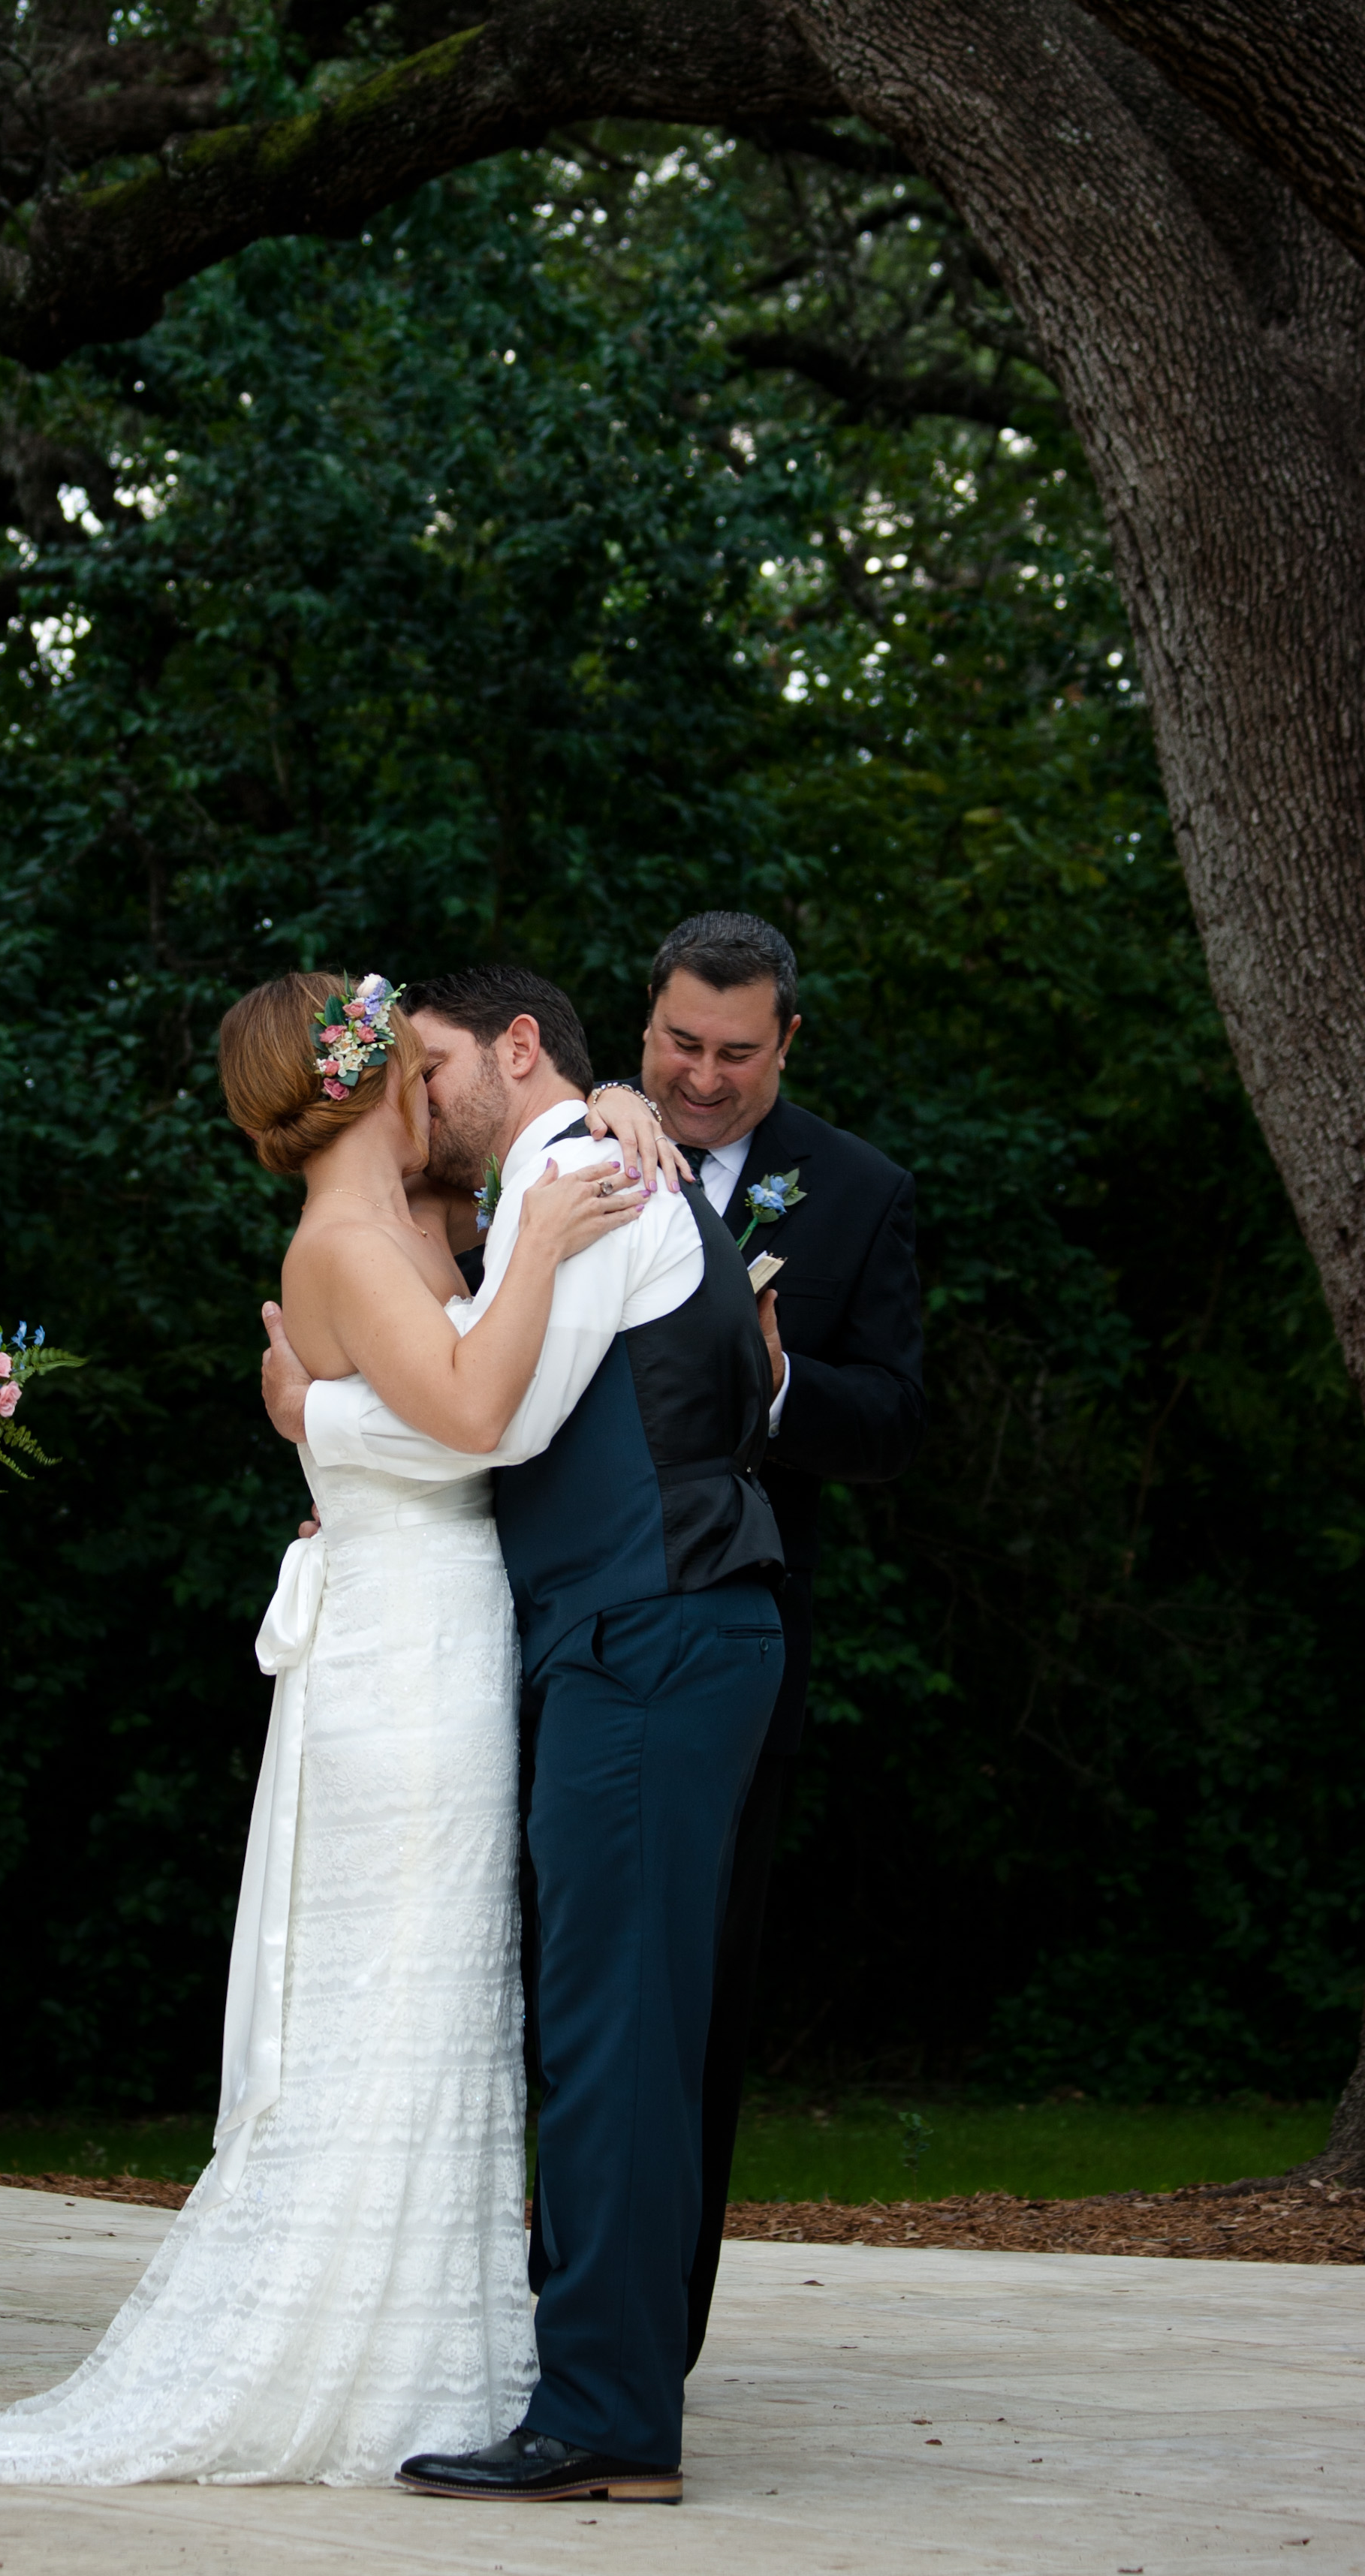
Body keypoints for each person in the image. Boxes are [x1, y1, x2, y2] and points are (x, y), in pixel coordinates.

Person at [0, 969, 648, 2487]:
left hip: (444, 1632)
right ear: (368, 1075)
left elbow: (475, 1276)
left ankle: (433, 2355)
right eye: (413, 1060)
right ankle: (357, 2361)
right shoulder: (341, 1245)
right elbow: (476, 1412)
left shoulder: (417, 1219)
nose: (435, 1083)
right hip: (401, 1659)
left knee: (443, 1992)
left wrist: (603, 1105)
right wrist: (540, 1244)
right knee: (394, 1991)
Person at [262, 965, 786, 2506]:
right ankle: (607, 2388)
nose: (411, 1093)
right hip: (643, 1634)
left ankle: (609, 2417)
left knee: (615, 2034)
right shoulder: (570, 1169)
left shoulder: (580, 1177)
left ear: (517, 1047)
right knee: (616, 2024)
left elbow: (497, 1421)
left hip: (648, 1636)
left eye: (429, 1065)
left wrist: (316, 1418)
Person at [634, 911, 925, 2367]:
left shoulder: (860, 1193)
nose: (702, 1076)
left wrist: (781, 1377)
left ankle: (650, 2348)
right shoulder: (564, 1157)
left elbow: (894, 1424)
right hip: (542, 1624)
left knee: (695, 1994)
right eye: (681, 1042)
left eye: (737, 1054)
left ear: (788, 1043)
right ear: (646, 1022)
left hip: (736, 1655)